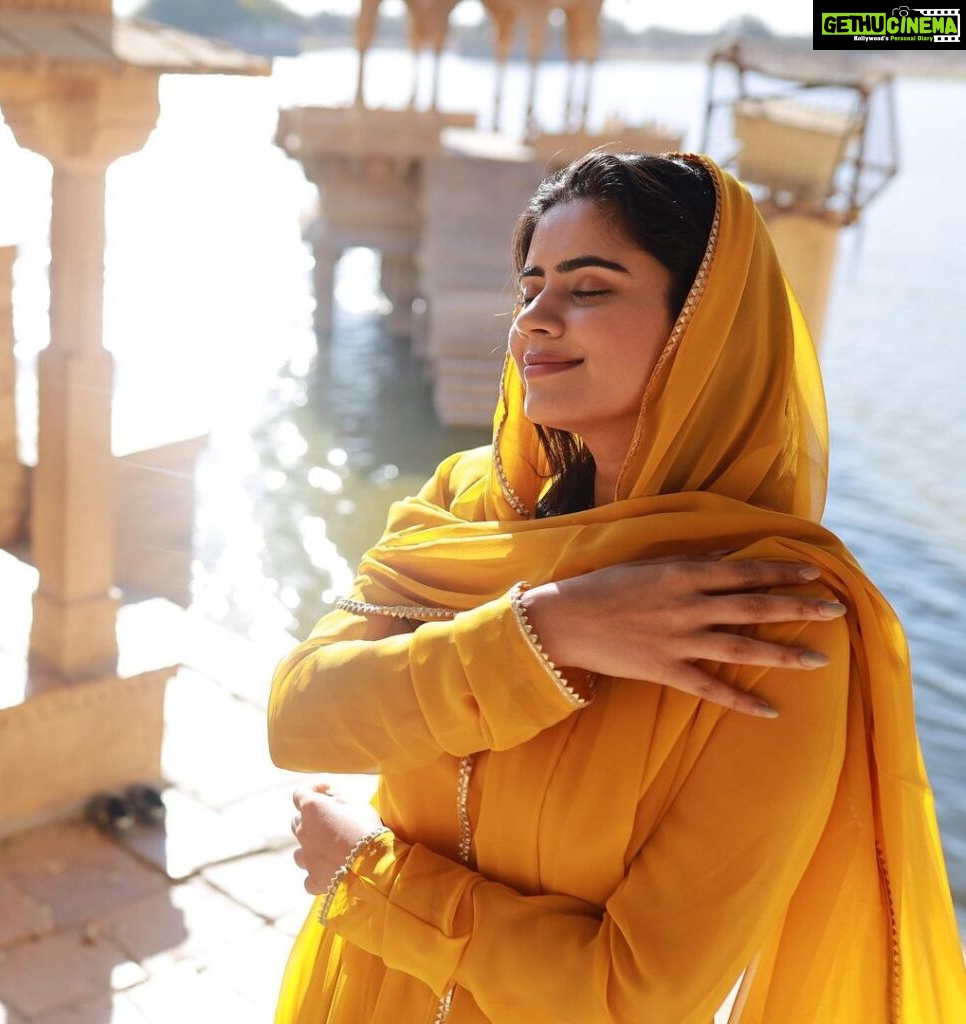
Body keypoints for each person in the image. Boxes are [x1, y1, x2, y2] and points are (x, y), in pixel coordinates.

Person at [268, 152, 966, 1023]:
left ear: (701, 324)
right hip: (358, 993)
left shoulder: (774, 617)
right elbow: (298, 716)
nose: (534, 322)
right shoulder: (473, 505)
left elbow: (635, 997)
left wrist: (372, 878)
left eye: (589, 289)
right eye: (530, 289)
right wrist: (546, 632)